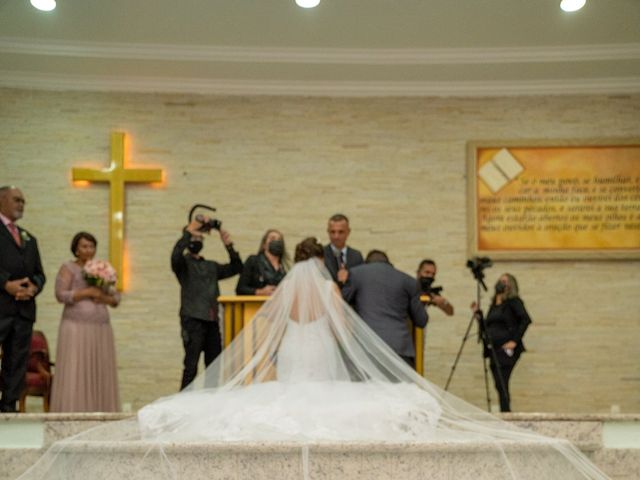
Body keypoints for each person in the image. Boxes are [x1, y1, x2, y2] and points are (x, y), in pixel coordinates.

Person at [17, 239, 608, 480]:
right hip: (321, 358)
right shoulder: (328, 289)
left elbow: (267, 338)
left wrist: (260, 365)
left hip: (294, 356)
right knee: (334, 398)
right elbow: (345, 326)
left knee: (278, 399)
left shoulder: (278, 299)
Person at [50, 232, 120, 412]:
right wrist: (86, 293)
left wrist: (102, 297)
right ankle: (72, 410)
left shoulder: (101, 269)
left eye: (92, 246)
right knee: (76, 369)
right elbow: (60, 294)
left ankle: (100, 410)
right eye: (84, 246)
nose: (89, 250)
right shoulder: (68, 267)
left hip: (100, 327)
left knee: (100, 370)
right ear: (76, 249)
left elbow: (116, 298)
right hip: (75, 327)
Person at [172, 215, 243, 390]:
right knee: (191, 366)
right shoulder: (183, 265)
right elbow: (175, 256)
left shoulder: (210, 266)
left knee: (214, 367)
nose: (197, 240)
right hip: (192, 319)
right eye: (195, 238)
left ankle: (210, 403)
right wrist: (188, 231)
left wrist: (228, 244)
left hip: (212, 320)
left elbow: (236, 267)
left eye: (200, 237)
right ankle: (182, 405)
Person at [0, 186, 46, 413]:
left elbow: (40, 273)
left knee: (16, 361)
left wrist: (33, 287)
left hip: (24, 311)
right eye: (17, 200)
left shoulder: (29, 239)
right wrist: (5, 284)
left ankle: (8, 408)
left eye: (23, 201)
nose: (21, 205)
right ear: (2, 201)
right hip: (1, 306)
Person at [342, 250, 427, 368]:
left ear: (367, 263)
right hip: (399, 348)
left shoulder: (356, 274)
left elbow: (341, 303)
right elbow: (421, 320)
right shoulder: (409, 281)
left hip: (367, 346)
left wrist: (342, 283)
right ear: (389, 263)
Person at [474, 273, 532, 412]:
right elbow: (488, 327)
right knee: (499, 384)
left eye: (505, 281)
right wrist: (479, 317)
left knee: (502, 381)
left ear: (510, 285)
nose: (501, 283)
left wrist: (514, 341)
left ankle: (506, 413)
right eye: (500, 280)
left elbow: (526, 320)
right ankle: (505, 411)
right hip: (493, 349)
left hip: (507, 349)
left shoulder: (514, 302)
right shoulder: (494, 305)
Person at [235, 229, 289, 296]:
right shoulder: (253, 261)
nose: (276, 242)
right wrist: (260, 292)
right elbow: (240, 289)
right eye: (272, 238)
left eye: (279, 240)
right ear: (264, 245)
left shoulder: (284, 268)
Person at [323, 213, 363, 285]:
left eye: (341, 232)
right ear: (328, 232)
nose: (336, 236)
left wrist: (349, 277)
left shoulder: (356, 256)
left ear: (348, 232)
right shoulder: (321, 254)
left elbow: (361, 281)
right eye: (332, 232)